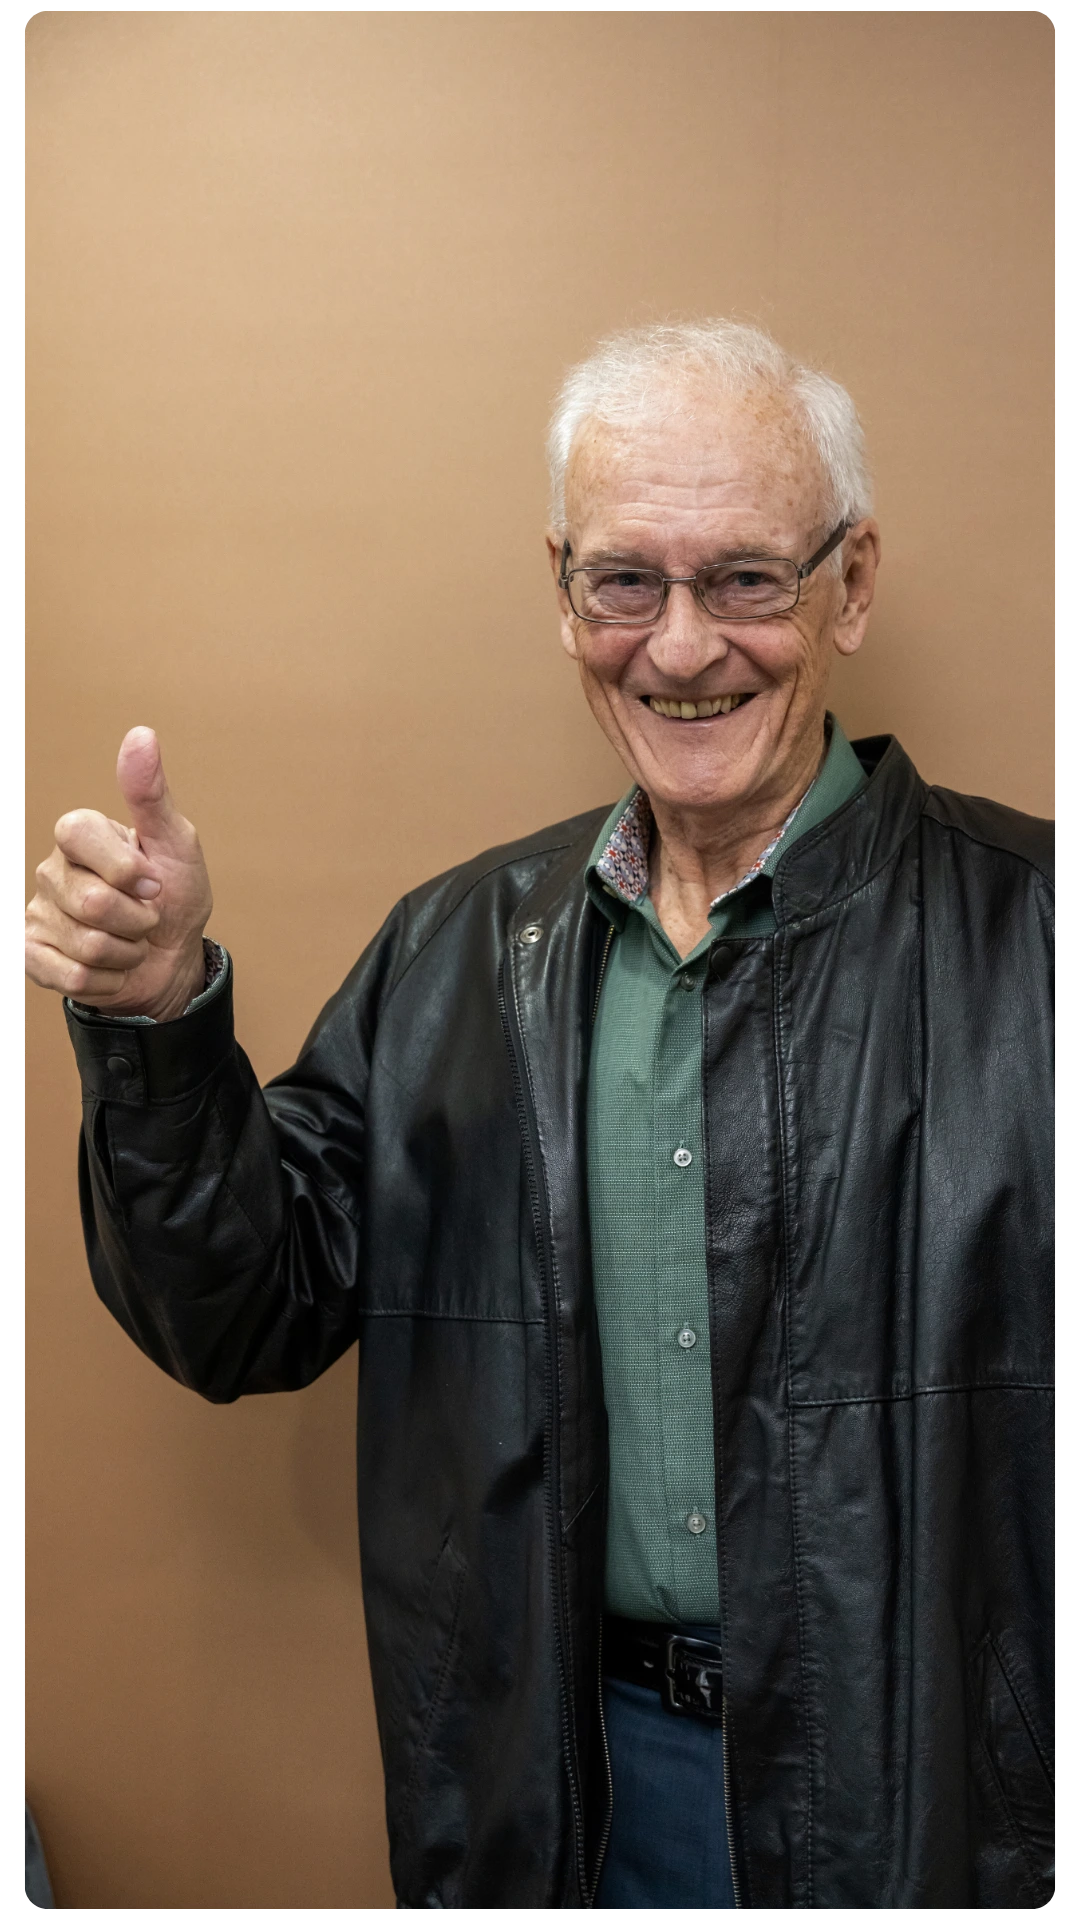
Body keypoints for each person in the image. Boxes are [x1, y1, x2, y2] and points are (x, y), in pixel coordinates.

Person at [23, 321, 1054, 1913]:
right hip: (564, 1793)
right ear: (563, 591)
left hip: (955, 1815)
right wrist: (158, 1019)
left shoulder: (1037, 936)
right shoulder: (450, 955)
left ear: (851, 585)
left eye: (748, 581)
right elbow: (239, 1314)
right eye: (625, 581)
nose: (682, 644)